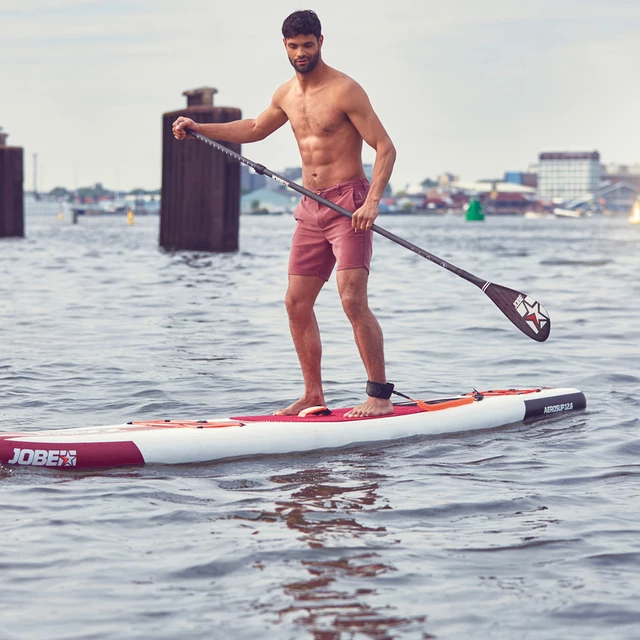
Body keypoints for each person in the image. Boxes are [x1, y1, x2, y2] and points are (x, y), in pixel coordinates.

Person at [173, 9, 396, 418]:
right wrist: (201, 128)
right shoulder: (286, 95)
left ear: (320, 42)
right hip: (310, 206)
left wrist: (372, 201)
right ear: (284, 46)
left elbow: (385, 147)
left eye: (307, 46)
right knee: (296, 303)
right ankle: (313, 395)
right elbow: (256, 128)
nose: (300, 54)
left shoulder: (346, 90)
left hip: (348, 205)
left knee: (351, 299)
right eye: (293, 47)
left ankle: (379, 396)